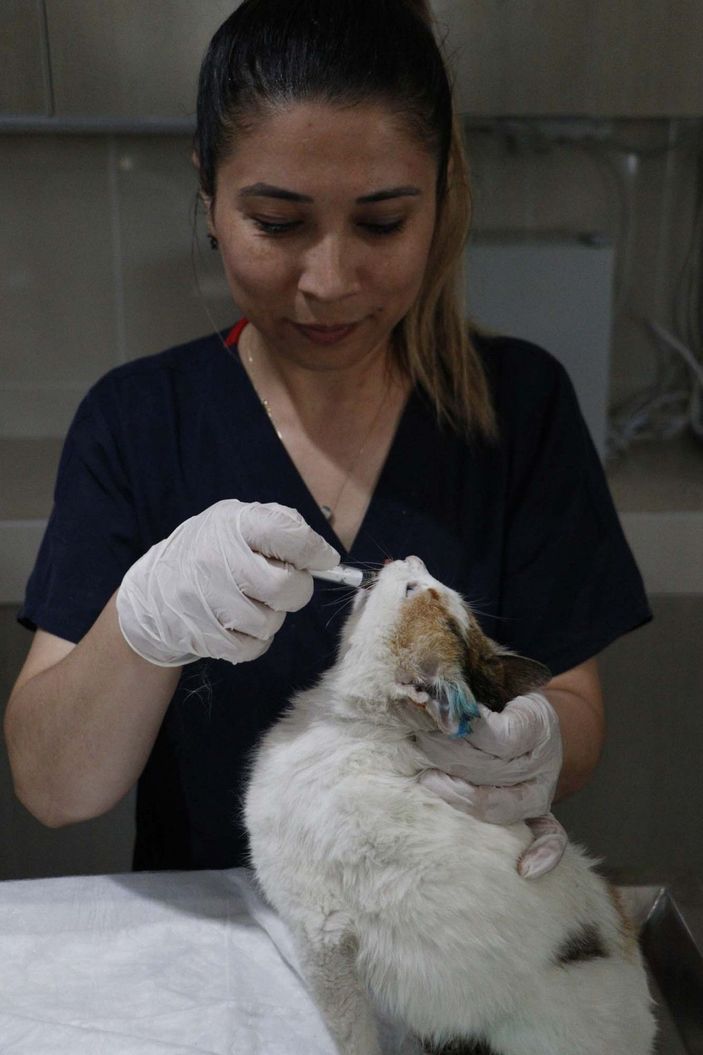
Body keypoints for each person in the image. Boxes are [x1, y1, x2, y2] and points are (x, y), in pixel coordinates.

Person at [5, 0, 650, 877]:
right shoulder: (138, 424)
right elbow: (54, 786)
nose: (329, 281)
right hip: (221, 953)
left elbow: (572, 709)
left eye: (382, 223)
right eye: (277, 222)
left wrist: (529, 745)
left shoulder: (517, 406)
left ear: (439, 200)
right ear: (208, 196)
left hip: (440, 943)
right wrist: (144, 622)